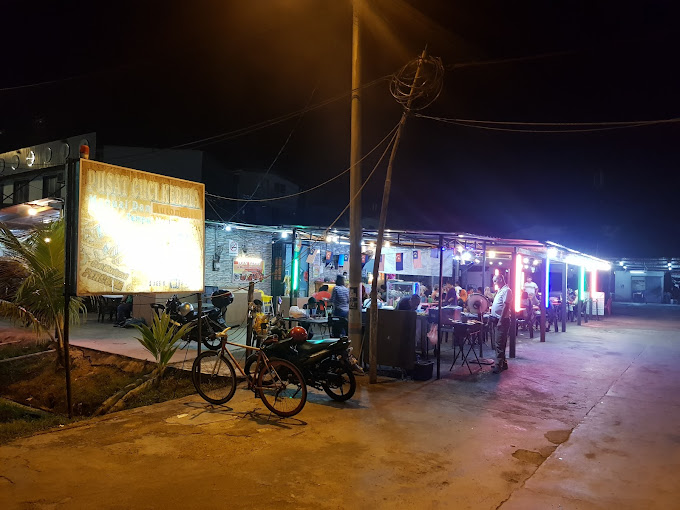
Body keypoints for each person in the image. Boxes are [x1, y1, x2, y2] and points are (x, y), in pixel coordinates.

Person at [490, 273, 513, 374]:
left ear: (500, 279)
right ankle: (503, 363)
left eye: (495, 280)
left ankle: (498, 365)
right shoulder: (500, 290)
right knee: (499, 343)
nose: (494, 283)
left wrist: (500, 320)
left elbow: (506, 306)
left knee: (499, 343)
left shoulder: (507, 290)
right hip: (496, 319)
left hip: (502, 321)